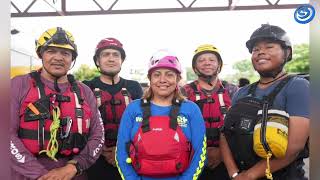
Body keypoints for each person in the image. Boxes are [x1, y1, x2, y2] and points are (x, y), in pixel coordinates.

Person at [10, 27, 104, 180]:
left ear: (72, 58)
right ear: (40, 54)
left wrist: (74, 166)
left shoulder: (85, 91)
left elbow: (98, 136)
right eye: (51, 51)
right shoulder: (18, 85)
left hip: (74, 173)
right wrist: (42, 175)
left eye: (65, 53)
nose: (58, 57)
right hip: (25, 175)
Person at [220, 24, 310, 180]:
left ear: (286, 53)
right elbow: (225, 134)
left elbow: (295, 147)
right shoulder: (241, 92)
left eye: (269, 47)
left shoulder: (298, 86)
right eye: (255, 49)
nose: (261, 52)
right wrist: (234, 174)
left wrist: (249, 175)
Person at [116, 50, 207, 180]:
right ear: (150, 79)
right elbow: (121, 152)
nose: (162, 80)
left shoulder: (191, 109)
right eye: (157, 75)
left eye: (169, 75)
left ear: (178, 79)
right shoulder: (133, 108)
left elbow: (200, 153)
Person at [83, 37, 143, 180]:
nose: (111, 59)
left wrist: (123, 150)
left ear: (122, 60)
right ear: (97, 61)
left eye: (116, 55)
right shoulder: (86, 87)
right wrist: (101, 150)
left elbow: (143, 122)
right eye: (106, 54)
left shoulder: (133, 87)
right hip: (95, 159)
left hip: (130, 156)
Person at [182, 44, 233, 180]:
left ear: (219, 65)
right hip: (191, 158)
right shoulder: (183, 92)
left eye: (211, 59)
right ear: (195, 67)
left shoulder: (233, 91)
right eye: (201, 60)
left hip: (227, 159)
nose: (207, 63)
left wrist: (222, 153)